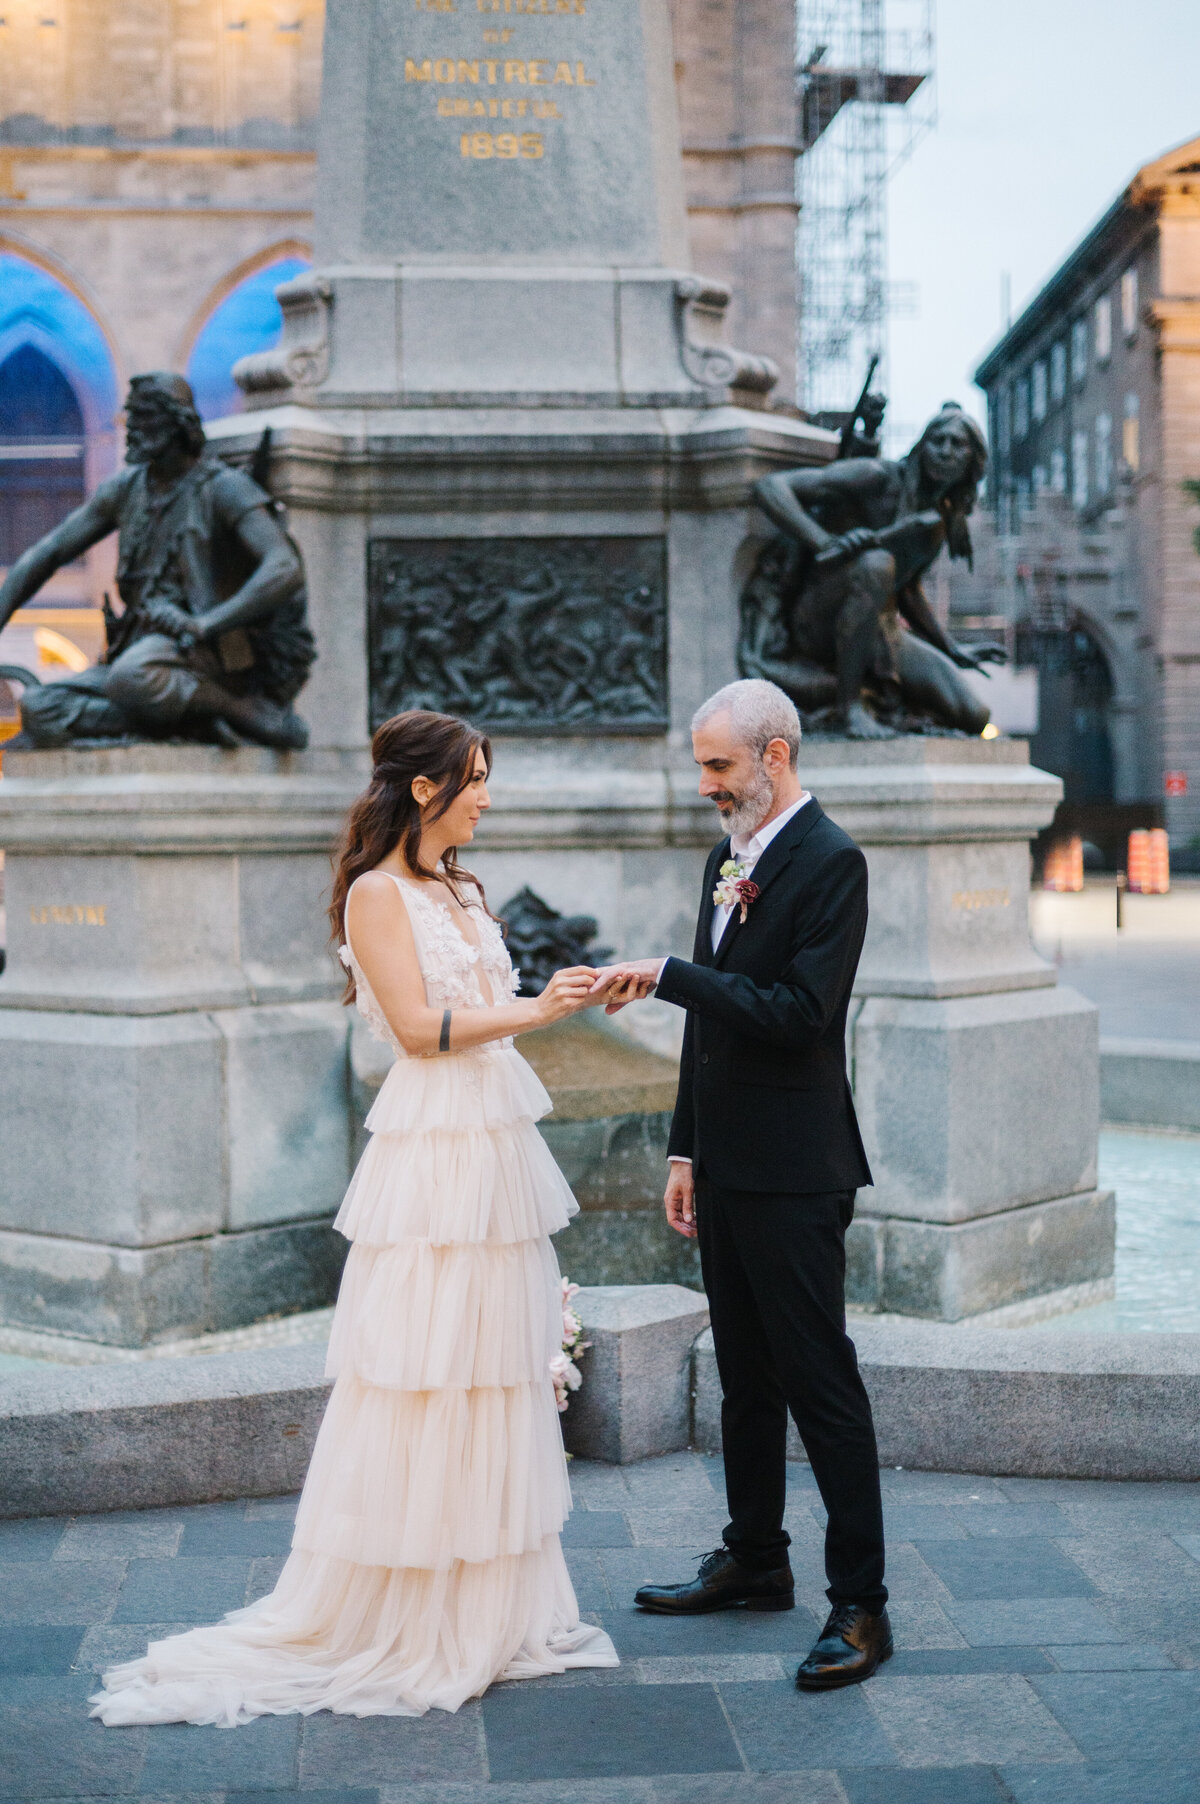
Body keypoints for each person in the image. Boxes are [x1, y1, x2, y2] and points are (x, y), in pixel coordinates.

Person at [90, 709, 619, 1725]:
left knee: (491, 1368)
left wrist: (574, 996)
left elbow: (486, 1009)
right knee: (425, 1370)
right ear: (425, 788)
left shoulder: (459, 888)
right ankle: (414, 1612)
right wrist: (543, 1009)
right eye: (474, 778)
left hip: (495, 1138)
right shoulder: (379, 895)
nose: (488, 795)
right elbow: (422, 1033)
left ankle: (489, 1608)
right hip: (434, 1149)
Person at [595, 678, 891, 1691]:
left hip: (798, 1169)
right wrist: (685, 1150)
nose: (709, 787)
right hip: (725, 1165)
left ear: (774, 754)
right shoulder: (727, 858)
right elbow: (712, 1027)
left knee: (822, 1383)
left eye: (720, 766)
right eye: (704, 768)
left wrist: (676, 972)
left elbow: (801, 1012)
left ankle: (861, 1606)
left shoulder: (832, 862)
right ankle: (757, 1558)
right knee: (745, 1377)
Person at [0, 372, 313, 750]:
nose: (130, 428)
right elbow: (48, 553)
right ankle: (194, 718)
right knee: (38, 706)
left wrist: (203, 624)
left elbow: (284, 568)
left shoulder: (223, 487)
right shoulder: (126, 488)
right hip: (138, 655)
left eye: (143, 417)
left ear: (177, 423)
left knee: (132, 680)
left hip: (205, 655)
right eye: (130, 417)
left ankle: (240, 710)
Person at [740, 402, 1004, 738]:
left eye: (958, 445)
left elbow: (906, 589)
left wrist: (951, 647)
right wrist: (822, 541)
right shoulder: (878, 477)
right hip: (817, 620)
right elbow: (770, 488)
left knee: (973, 715)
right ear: (923, 446)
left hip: (881, 629)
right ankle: (848, 708)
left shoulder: (938, 518)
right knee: (877, 565)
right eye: (938, 441)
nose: (946, 451)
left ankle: (876, 695)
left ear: (972, 460)